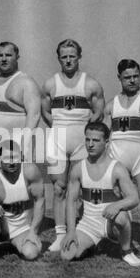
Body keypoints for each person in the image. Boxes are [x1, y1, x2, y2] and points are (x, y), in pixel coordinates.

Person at [41, 39, 105, 252]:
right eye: (64, 56)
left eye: (72, 56)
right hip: (57, 139)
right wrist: (60, 127)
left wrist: (84, 131)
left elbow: (98, 112)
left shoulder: (91, 84)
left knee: (78, 188)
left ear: (79, 57)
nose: (68, 60)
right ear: (58, 58)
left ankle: (81, 229)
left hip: (81, 141)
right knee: (59, 188)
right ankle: (60, 235)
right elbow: (46, 112)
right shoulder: (50, 84)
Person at [61, 122, 140, 267]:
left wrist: (117, 205)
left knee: (122, 217)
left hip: (111, 221)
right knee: (67, 255)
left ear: (106, 142)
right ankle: (93, 245)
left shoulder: (117, 168)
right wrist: (71, 231)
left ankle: (126, 251)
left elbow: (134, 198)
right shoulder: (78, 168)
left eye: (96, 140)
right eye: (87, 139)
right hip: (88, 223)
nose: (90, 144)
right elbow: (70, 201)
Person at [104, 59, 140, 255]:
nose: (132, 80)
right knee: (118, 199)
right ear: (119, 78)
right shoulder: (111, 105)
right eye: (127, 77)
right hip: (117, 157)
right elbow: (105, 137)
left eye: (135, 76)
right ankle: (122, 239)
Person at [0, 139, 45, 260]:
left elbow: (40, 201)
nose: (11, 163)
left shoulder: (31, 171)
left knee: (31, 253)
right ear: (0, 159)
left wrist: (33, 231)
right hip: (2, 227)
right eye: (7, 158)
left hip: (23, 229)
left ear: (22, 156)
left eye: (15, 158)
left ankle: (16, 244)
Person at [0, 41, 41, 174]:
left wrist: (24, 147)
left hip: (15, 149)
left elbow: (34, 116)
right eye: (0, 55)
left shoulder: (26, 83)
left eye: (8, 55)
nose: (3, 59)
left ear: (17, 57)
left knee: (18, 191)